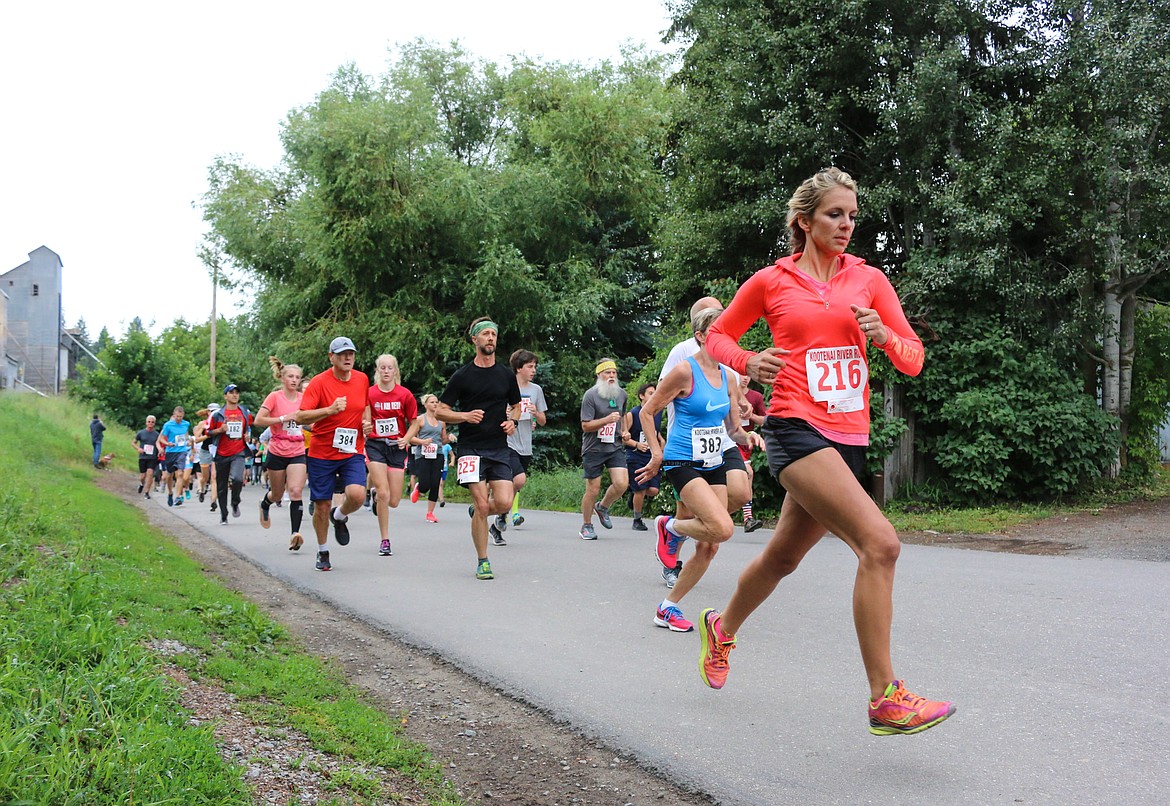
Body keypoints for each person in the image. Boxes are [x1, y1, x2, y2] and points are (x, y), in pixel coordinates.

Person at [700, 167, 953, 736]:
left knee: (783, 558)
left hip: (850, 437)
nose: (846, 225)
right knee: (881, 544)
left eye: (852, 216)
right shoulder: (771, 280)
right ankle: (884, 697)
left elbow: (913, 357)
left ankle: (721, 627)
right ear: (805, 221)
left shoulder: (869, 280)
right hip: (795, 429)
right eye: (835, 214)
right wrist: (748, 362)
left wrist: (884, 337)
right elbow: (718, 336)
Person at [637, 306, 763, 633]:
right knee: (722, 528)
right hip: (682, 462)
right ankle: (672, 528)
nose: (727, 339)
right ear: (701, 336)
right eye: (719, 332)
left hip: (714, 462)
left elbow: (733, 429)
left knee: (709, 545)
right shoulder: (684, 371)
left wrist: (748, 434)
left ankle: (667, 608)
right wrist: (656, 452)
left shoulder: (729, 376)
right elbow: (647, 413)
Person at [436, 317, 522, 580]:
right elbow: (441, 410)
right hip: (470, 448)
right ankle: (483, 560)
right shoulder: (463, 376)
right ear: (475, 340)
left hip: (498, 447)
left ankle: (479, 513)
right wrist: (464, 417)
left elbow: (517, 405)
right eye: (485, 334)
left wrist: (513, 421)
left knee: (505, 502)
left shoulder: (506, 375)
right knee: (482, 504)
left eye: (493, 335)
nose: (490, 339)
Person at [291, 337, 370, 572]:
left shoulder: (362, 379)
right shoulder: (318, 383)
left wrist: (367, 422)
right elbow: (300, 417)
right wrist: (330, 410)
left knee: (357, 495)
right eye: (342, 354)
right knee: (322, 504)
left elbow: (364, 406)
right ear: (331, 357)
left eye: (351, 354)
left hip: (351, 449)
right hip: (322, 452)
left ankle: (340, 515)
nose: (348, 358)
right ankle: (323, 550)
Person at [363, 354, 417, 557]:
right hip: (376, 445)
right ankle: (385, 540)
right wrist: (365, 427)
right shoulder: (369, 394)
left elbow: (414, 423)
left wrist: (407, 438)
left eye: (389, 368)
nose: (386, 371)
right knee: (384, 494)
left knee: (393, 500)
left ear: (395, 371)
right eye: (382, 368)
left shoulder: (405, 395)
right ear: (377, 371)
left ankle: (378, 496)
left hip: (396, 446)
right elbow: (364, 419)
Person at [254, 357, 308, 551]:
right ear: (283, 378)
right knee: (277, 494)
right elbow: (258, 420)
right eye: (291, 376)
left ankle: (295, 534)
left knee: (295, 491)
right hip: (277, 450)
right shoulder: (275, 397)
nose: (294, 380)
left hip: (297, 450)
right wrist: (282, 418)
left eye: (298, 377)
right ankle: (265, 504)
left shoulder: (304, 399)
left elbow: (310, 422)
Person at [497, 349, 548, 539]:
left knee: (514, 484)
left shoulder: (536, 390)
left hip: (526, 444)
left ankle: (499, 518)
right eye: (530, 366)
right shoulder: (506, 387)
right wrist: (507, 413)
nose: (534, 370)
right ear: (519, 368)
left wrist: (535, 412)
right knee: (518, 480)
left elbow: (543, 420)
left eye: (535, 366)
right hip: (507, 442)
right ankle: (498, 510)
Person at [578, 359, 629, 540]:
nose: (612, 376)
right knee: (593, 488)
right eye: (607, 372)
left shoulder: (621, 394)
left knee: (622, 483)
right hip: (594, 448)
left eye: (614, 372)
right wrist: (605, 420)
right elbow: (585, 426)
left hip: (614, 446)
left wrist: (624, 432)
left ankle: (603, 506)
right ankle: (586, 525)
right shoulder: (590, 396)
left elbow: (623, 417)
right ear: (599, 375)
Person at [207, 384, 254, 525]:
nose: (234, 395)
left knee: (238, 479)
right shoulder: (217, 414)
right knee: (221, 487)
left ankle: (235, 502)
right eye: (231, 392)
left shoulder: (245, 412)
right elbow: (207, 432)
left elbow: (249, 427)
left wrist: (247, 436)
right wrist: (219, 430)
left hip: (238, 452)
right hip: (221, 453)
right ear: (225, 396)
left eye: (237, 393)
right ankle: (223, 514)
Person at [402, 394, 449, 523]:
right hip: (422, 455)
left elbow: (443, 440)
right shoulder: (420, 420)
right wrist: (422, 442)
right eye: (432, 402)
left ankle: (430, 513)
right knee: (425, 484)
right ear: (425, 404)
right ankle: (419, 488)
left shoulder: (442, 421)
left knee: (435, 483)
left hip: (438, 454)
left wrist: (449, 438)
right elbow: (410, 438)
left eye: (436, 402)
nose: (435, 404)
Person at [622, 383, 661, 532]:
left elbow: (656, 433)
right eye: (651, 393)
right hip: (635, 455)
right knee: (641, 489)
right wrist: (636, 444)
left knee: (653, 490)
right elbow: (622, 437)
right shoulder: (633, 413)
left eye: (655, 393)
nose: (654, 395)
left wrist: (661, 443)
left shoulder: (656, 413)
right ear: (642, 396)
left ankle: (633, 493)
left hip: (651, 456)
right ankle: (637, 519)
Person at [737, 373, 768, 532]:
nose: (745, 377)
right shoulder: (727, 392)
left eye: (748, 375)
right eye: (741, 374)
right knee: (748, 473)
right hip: (727, 440)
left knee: (746, 476)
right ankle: (748, 517)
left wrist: (751, 415)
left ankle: (747, 518)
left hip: (745, 442)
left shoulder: (756, 397)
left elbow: (765, 420)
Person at [157, 406, 191, 507]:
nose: (178, 418)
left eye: (180, 417)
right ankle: (170, 493)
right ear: (173, 415)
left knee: (180, 473)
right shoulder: (168, 425)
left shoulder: (186, 424)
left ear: (183, 416)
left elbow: (186, 435)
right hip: (171, 452)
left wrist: (188, 441)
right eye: (177, 416)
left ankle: (178, 497)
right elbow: (161, 439)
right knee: (169, 475)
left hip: (182, 451)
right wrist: (167, 444)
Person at [133, 415, 159, 498]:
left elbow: (159, 444)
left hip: (152, 457)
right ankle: (142, 484)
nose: (150, 423)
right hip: (143, 457)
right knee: (142, 476)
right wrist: (138, 449)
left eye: (152, 422)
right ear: (146, 423)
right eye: (149, 422)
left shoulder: (157, 435)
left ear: (154, 423)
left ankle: (147, 492)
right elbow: (133, 443)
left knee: (150, 473)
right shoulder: (141, 433)